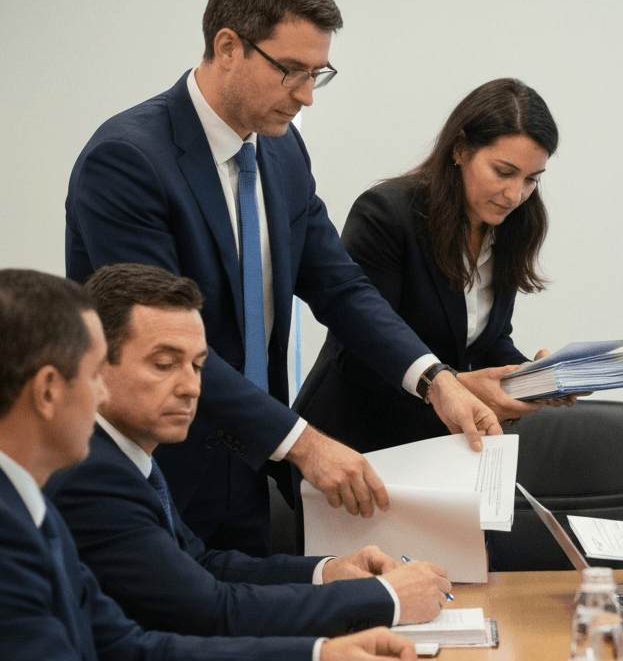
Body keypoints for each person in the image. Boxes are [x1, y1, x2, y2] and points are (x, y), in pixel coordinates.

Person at [65, 0, 500, 558]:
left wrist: (435, 380)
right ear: (227, 47)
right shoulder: (128, 161)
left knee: (256, 610)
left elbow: (338, 285)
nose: (307, 97)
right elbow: (160, 345)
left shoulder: (281, 150)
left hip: (245, 467)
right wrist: (303, 443)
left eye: (318, 73)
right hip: (156, 467)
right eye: (291, 71)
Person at [0, 269, 418, 661]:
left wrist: (318, 657)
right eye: (92, 376)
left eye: (196, 366)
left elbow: (132, 656)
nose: (99, 398)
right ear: (46, 391)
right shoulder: (22, 521)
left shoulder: (28, 507)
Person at [46, 263, 451, 638]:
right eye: (164, 364)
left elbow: (202, 566)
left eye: (197, 366)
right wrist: (384, 598)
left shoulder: (129, 461)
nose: (191, 387)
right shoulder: (92, 474)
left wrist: (328, 572)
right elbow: (210, 610)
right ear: (95, 365)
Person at [295, 77, 570, 453]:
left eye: (532, 179)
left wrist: (530, 379)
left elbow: (485, 341)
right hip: (350, 439)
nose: (515, 194)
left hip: (431, 445)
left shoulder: (511, 226)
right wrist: (449, 383)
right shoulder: (387, 215)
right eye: (504, 172)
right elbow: (359, 349)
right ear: (460, 148)